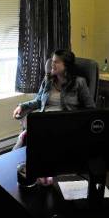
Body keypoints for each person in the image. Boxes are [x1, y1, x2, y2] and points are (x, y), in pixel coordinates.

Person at [12, 49, 96, 186]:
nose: (52, 64)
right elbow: (38, 101)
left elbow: (91, 108)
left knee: (33, 139)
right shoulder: (48, 80)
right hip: (45, 120)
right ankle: (22, 169)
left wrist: (77, 123)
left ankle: (41, 172)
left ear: (66, 65)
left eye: (56, 62)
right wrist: (22, 106)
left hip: (65, 123)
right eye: (52, 60)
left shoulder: (79, 83)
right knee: (28, 135)